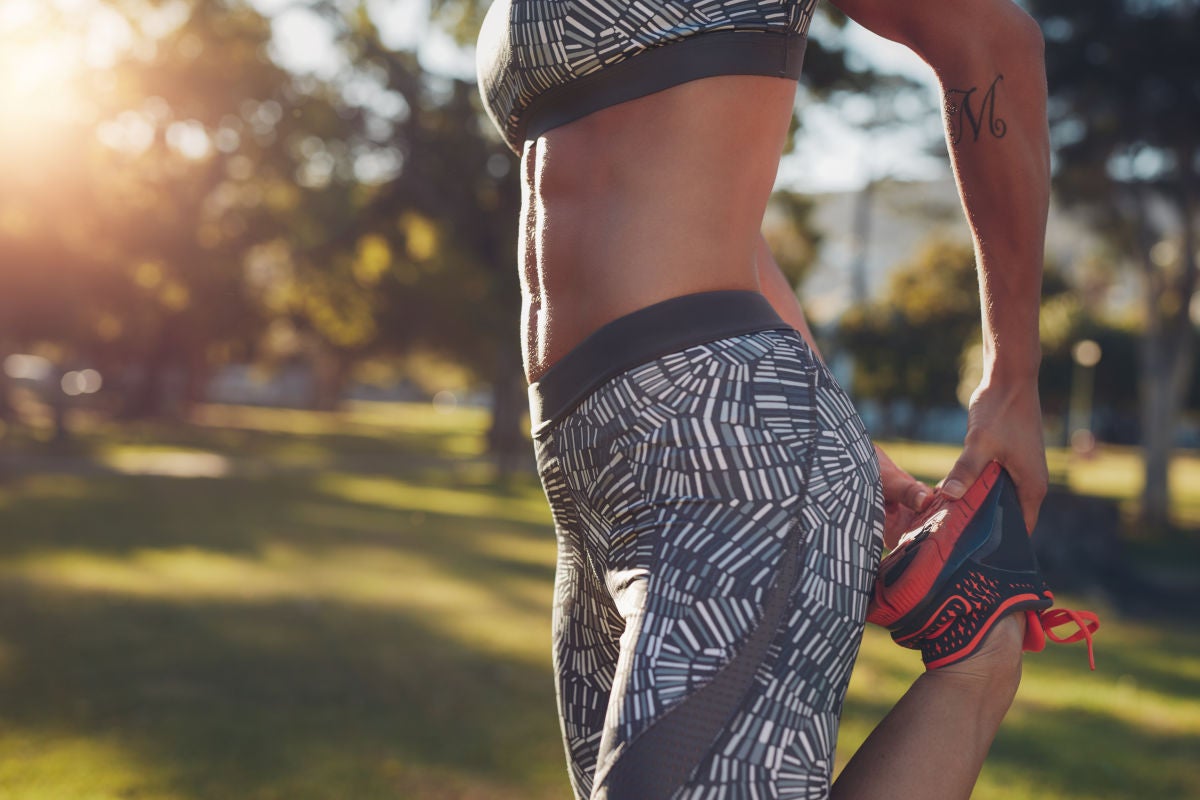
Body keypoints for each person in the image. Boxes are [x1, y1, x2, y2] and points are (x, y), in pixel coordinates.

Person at [475, 0, 1083, 797]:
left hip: (728, 467)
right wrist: (842, 440)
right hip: (596, 481)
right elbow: (711, 201)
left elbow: (992, 39)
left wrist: (1012, 381)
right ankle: (981, 667)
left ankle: (980, 670)